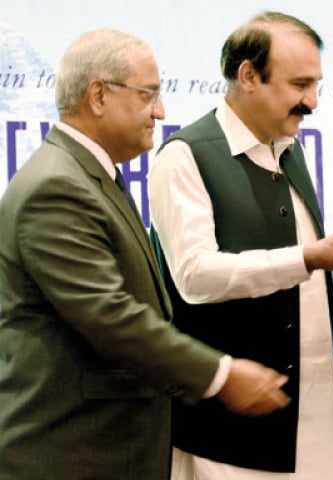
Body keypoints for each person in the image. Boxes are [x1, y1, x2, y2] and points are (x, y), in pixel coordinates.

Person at [0, 29, 294, 480]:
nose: (161, 110)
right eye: (149, 95)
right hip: (72, 455)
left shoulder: (89, 177)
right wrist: (221, 374)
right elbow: (110, 315)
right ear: (99, 95)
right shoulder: (57, 187)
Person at [147, 11, 333, 480]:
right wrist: (311, 257)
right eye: (299, 85)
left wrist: (321, 354)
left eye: (316, 85)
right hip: (224, 438)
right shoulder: (184, 158)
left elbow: (296, 284)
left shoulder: (291, 149)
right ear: (248, 75)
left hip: (309, 419)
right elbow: (195, 277)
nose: (311, 101)